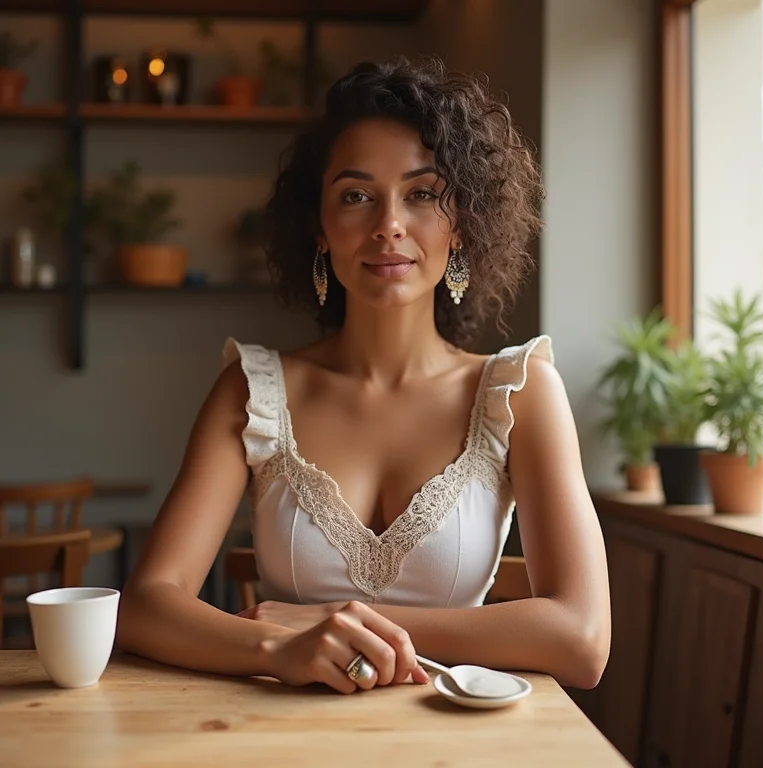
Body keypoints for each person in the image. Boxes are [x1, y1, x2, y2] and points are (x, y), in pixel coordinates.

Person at [116, 56, 611, 694]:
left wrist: (336, 618)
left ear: (461, 225)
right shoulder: (252, 390)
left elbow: (583, 639)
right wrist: (277, 647)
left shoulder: (520, 393)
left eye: (422, 193)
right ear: (319, 228)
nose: (388, 226)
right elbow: (147, 604)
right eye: (356, 195)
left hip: (460, 744)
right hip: (278, 739)